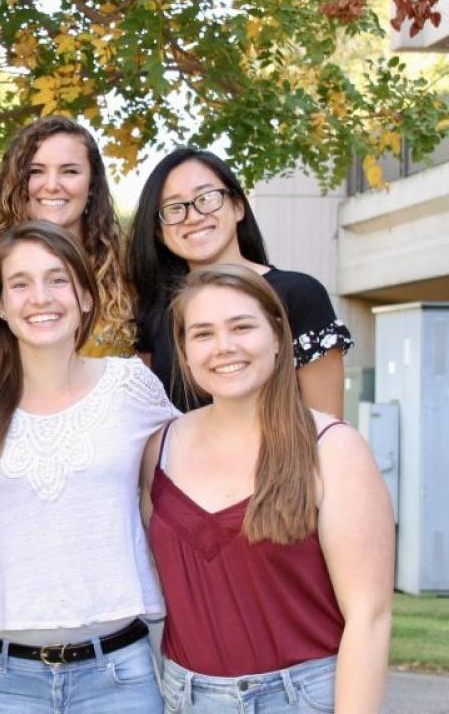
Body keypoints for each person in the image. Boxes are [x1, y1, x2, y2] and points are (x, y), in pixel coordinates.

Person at [0, 220, 173, 713]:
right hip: (3, 682)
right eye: (20, 284)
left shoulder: (132, 388)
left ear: (86, 297)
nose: (40, 297)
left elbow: (180, 500)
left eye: (57, 279)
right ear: (1, 306)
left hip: (119, 677)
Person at [141, 264, 393, 712]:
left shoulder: (332, 448)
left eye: (242, 327)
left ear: (278, 337)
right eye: (203, 334)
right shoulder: (159, 446)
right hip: (183, 697)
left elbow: (368, 620)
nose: (225, 347)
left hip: (300, 698)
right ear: (183, 351)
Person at [126, 148, 353, 416]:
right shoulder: (153, 309)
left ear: (238, 206)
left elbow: (327, 425)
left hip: (286, 458)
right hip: (183, 457)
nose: (193, 216)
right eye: (174, 208)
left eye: (207, 198)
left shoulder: (300, 294)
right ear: (159, 231)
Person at [0, 116, 137, 385]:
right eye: (36, 171)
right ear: (17, 182)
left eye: (69, 171)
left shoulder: (127, 270)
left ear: (92, 185)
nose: (51, 185)